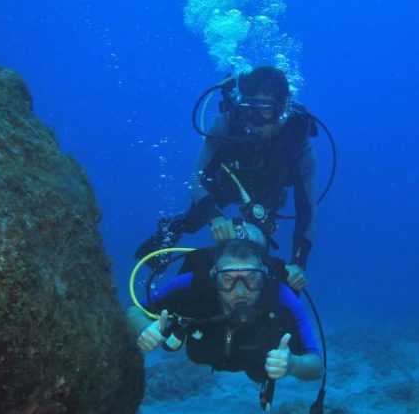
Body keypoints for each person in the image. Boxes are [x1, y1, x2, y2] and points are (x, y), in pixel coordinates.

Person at [134, 66, 317, 291]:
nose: (254, 121)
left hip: (267, 196)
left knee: (257, 248)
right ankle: (173, 230)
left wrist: (298, 263)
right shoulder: (227, 123)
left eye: (265, 111)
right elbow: (195, 179)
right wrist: (215, 217)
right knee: (192, 221)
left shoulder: (297, 146)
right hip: (225, 184)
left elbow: (306, 210)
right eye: (249, 110)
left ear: (282, 109)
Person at [126, 224, 323, 390]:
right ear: (214, 275)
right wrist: (144, 328)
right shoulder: (190, 284)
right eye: (227, 279)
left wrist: (293, 364)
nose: (240, 292)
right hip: (204, 351)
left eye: (251, 279)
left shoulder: (282, 296)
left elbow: (316, 365)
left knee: (259, 372)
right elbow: (132, 310)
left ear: (263, 275)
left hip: (255, 360)